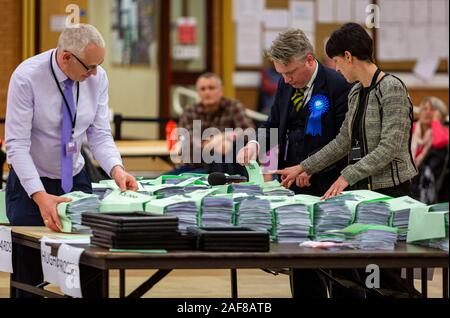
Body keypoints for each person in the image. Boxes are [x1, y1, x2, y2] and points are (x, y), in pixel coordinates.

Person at [275, 23, 419, 297]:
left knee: (387, 279)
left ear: (349, 57)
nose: (337, 69)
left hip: (392, 193)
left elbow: (389, 147)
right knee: (366, 274)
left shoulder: (392, 89)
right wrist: (304, 166)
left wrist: (347, 174)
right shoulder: (355, 92)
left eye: (337, 61)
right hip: (363, 194)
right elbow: (342, 141)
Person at [5, 24, 138, 298]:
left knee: (88, 270)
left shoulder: (97, 78)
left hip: (76, 179)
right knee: (30, 277)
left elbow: (99, 134)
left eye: (99, 65)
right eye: (89, 66)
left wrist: (117, 169)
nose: (94, 73)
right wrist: (41, 197)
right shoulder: (27, 77)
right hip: (32, 183)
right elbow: (17, 145)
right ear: (66, 58)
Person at [237, 29, 359, 299]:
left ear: (309, 60)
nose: (286, 79)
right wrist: (255, 144)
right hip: (293, 185)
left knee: (339, 265)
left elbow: (344, 141)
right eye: (281, 73)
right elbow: (272, 124)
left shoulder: (340, 85)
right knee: (301, 261)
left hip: (331, 186)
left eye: (290, 72)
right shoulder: (285, 84)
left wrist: (311, 168)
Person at [169, 72, 254, 176]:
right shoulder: (189, 111)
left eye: (211, 88)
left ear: (221, 91)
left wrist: (224, 137)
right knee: (159, 182)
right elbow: (186, 143)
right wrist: (214, 144)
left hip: (227, 169)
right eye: (203, 89)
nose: (207, 92)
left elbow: (249, 132)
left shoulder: (233, 107)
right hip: (195, 167)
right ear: (198, 92)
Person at [411, 96, 449, 204]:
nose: (427, 112)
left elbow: (439, 142)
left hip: (430, 188)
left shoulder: (444, 132)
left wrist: (436, 122)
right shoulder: (411, 128)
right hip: (408, 181)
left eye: (432, 110)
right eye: (424, 109)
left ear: (440, 115)